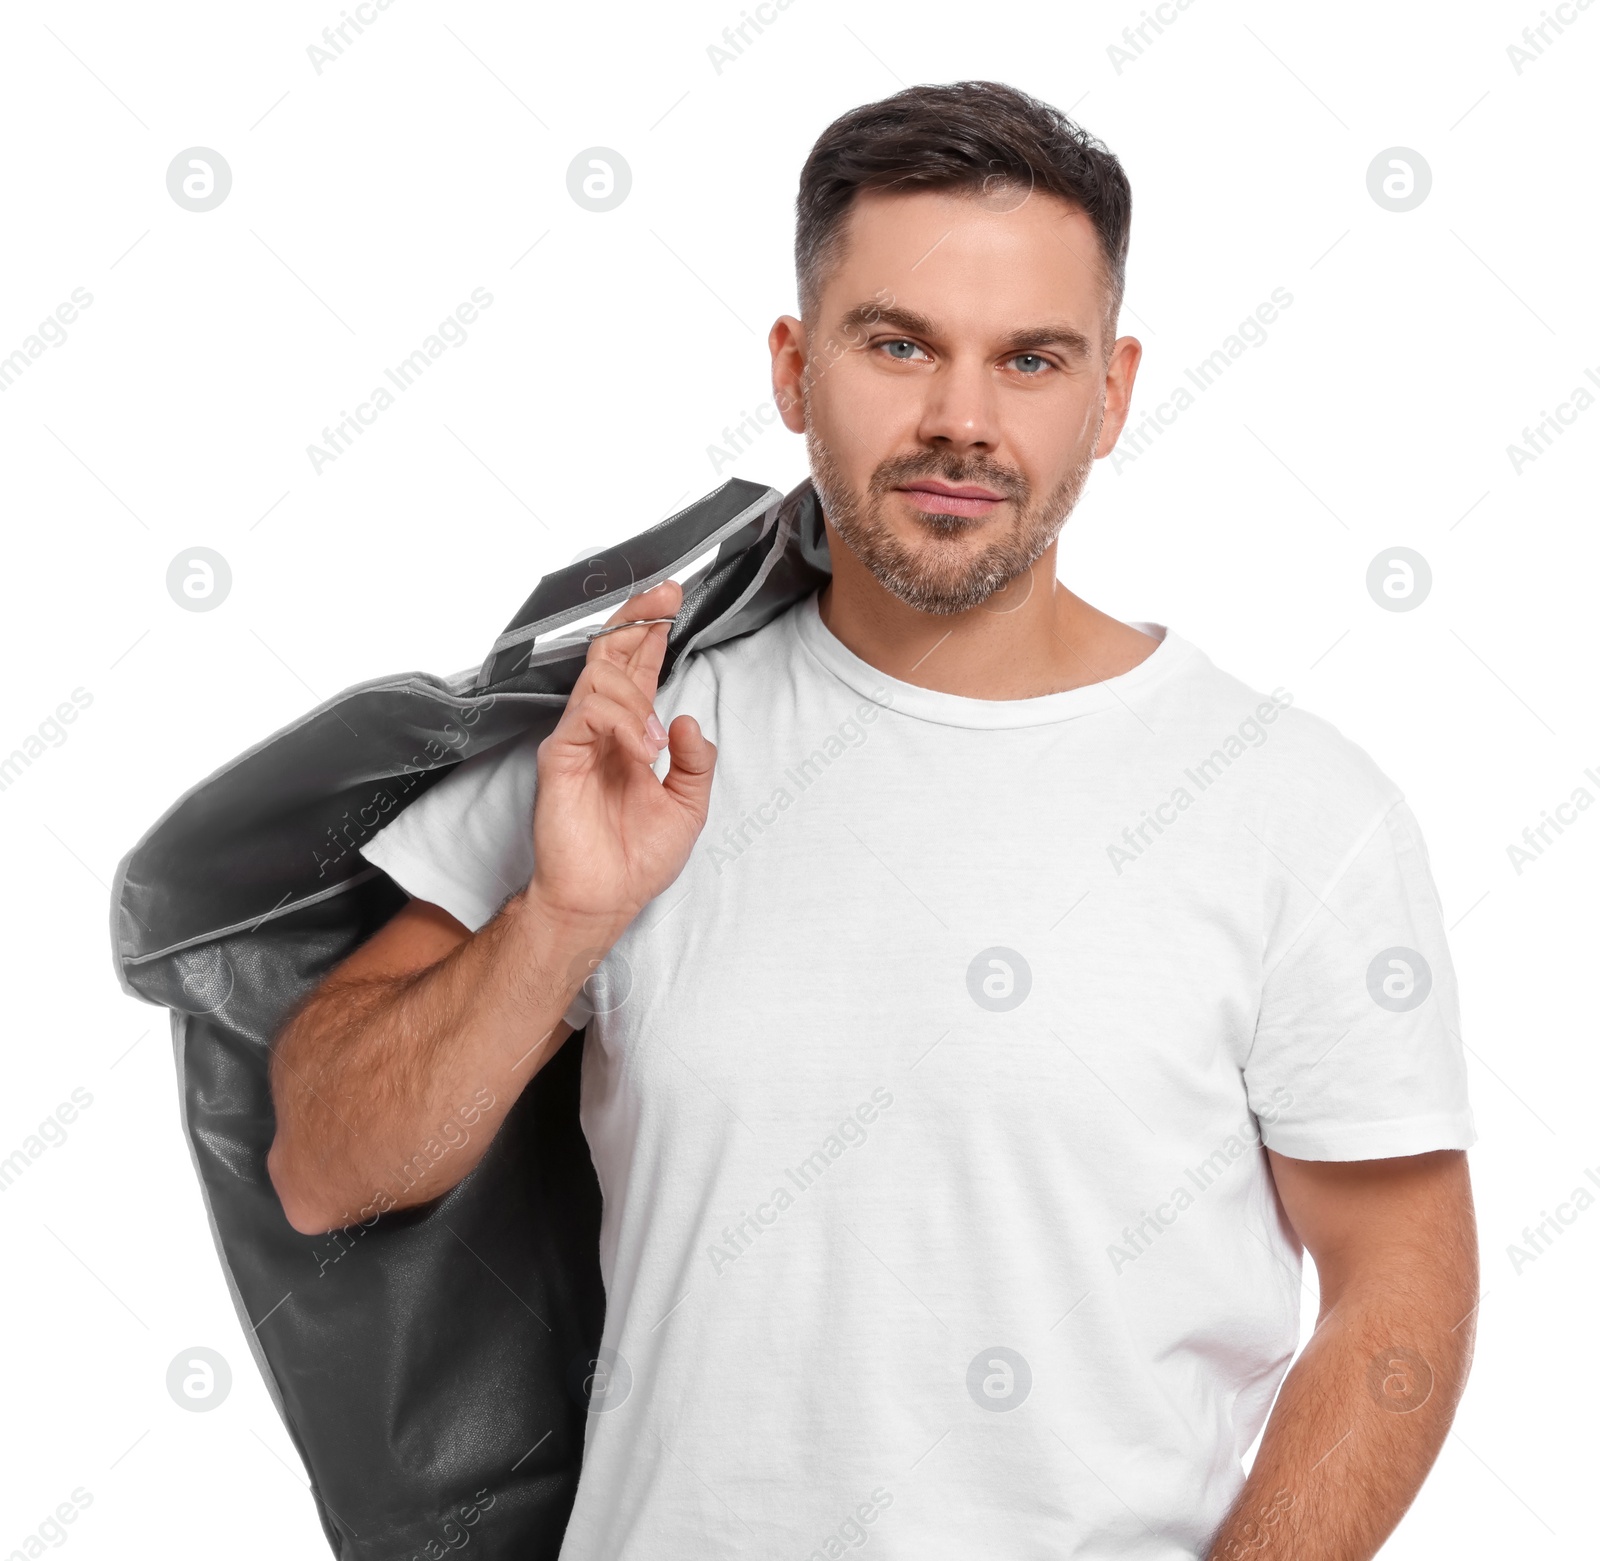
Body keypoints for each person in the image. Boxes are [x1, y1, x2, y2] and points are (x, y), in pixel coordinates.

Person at [265, 80, 1478, 1561]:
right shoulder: (627, 737)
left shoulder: (1295, 806)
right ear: (794, 367)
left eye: (1031, 359)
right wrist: (560, 916)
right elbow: (327, 1163)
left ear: (1111, 389)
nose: (962, 421)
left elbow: (1401, 1275)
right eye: (896, 343)